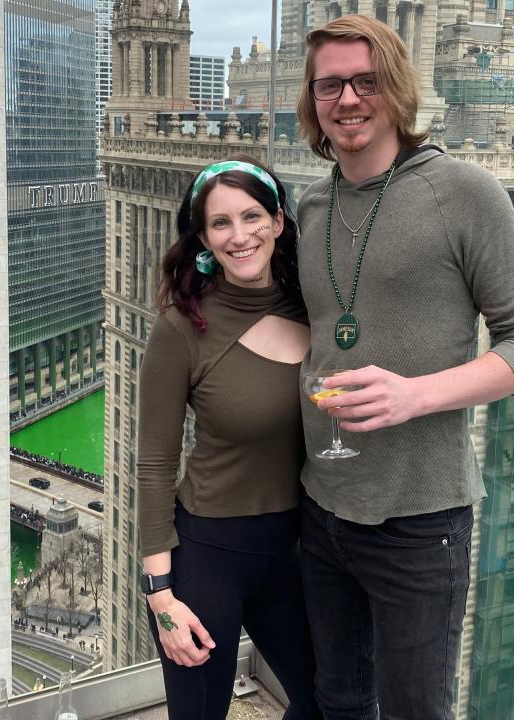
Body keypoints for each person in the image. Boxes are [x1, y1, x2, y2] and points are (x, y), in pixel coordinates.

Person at [294, 15, 514, 720]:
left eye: (365, 81)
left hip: (420, 520)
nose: (347, 99)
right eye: (330, 85)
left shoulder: (465, 192)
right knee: (339, 700)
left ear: (397, 89)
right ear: (313, 100)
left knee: (417, 709)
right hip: (322, 510)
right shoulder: (313, 204)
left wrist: (415, 395)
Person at [136, 156, 322, 720]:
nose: (239, 236)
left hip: (295, 551)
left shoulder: (315, 309)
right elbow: (153, 466)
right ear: (202, 237)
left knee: (330, 702)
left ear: (279, 222)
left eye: (251, 216)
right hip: (207, 557)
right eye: (220, 223)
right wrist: (161, 594)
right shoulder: (181, 328)